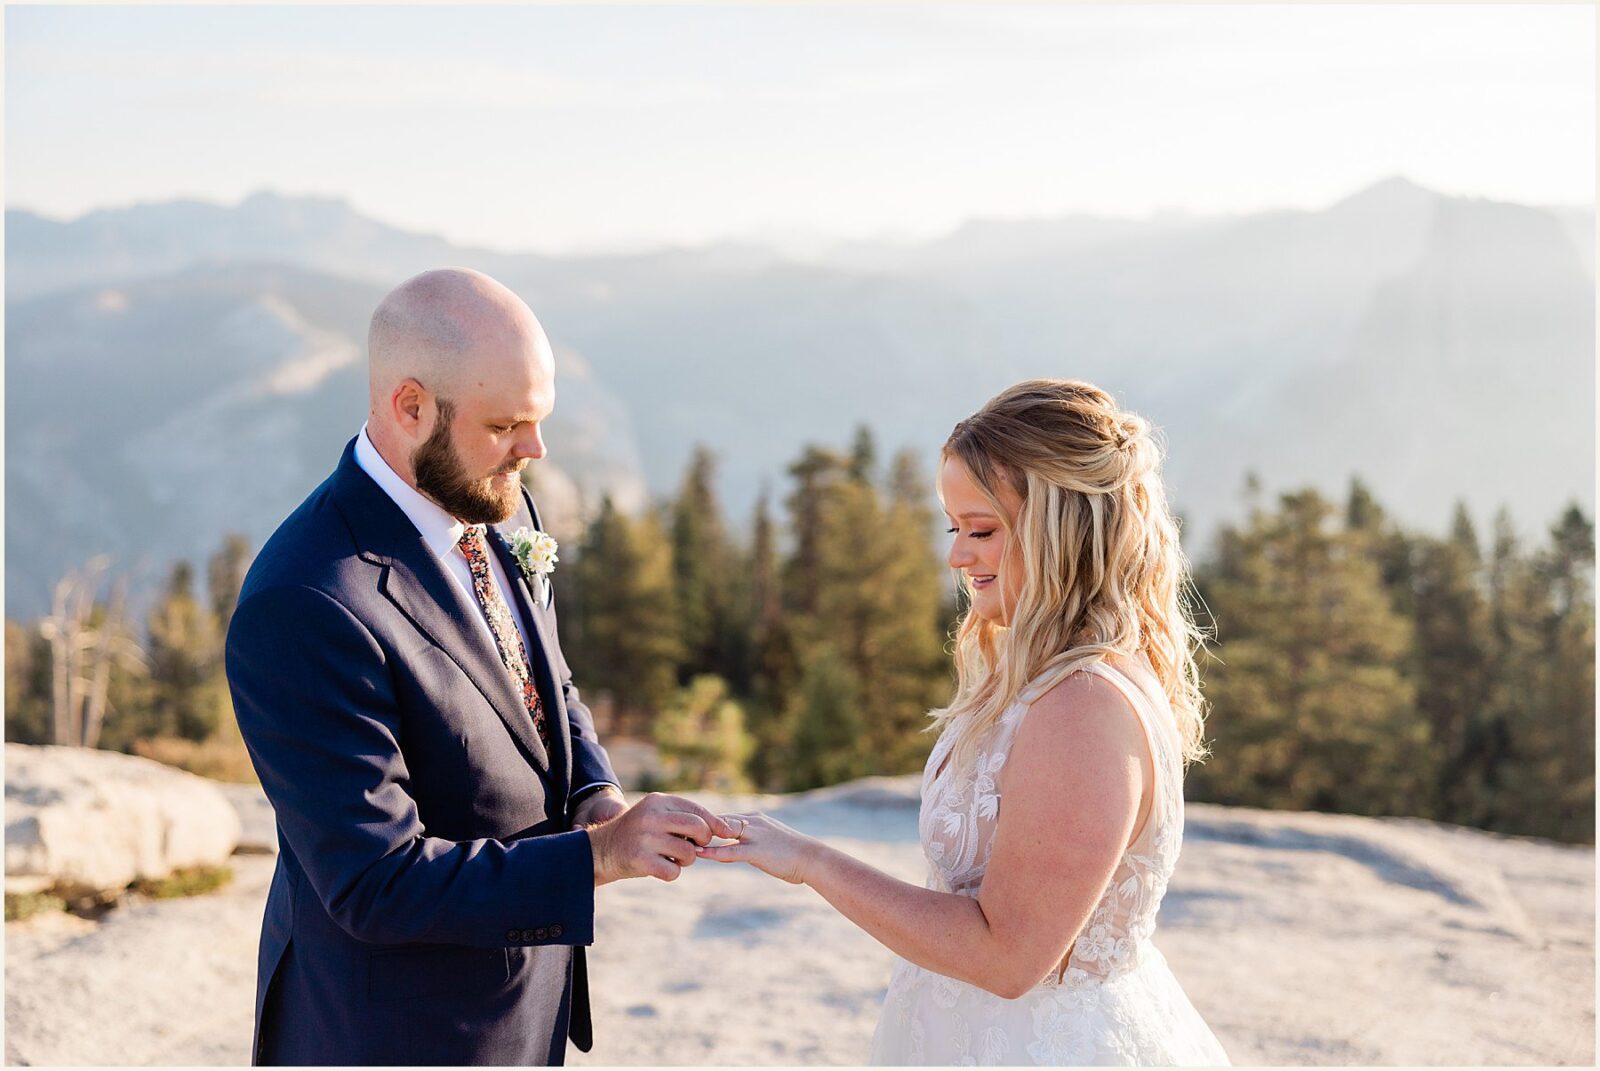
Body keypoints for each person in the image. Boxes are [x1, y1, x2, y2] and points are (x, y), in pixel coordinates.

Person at [225, 267, 733, 1066]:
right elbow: (375, 881)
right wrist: (600, 857)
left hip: (520, 1015)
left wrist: (597, 796)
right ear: (410, 405)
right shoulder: (306, 600)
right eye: (505, 426)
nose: (533, 450)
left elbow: (545, 684)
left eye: (537, 420)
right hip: (393, 1036)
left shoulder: (494, 498)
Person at [700, 379, 1231, 1065]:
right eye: (955, 528)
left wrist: (809, 860)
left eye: (981, 530)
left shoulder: (1084, 705)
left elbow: (1009, 955)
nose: (957, 555)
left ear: (1060, 529)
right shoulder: (1045, 675)